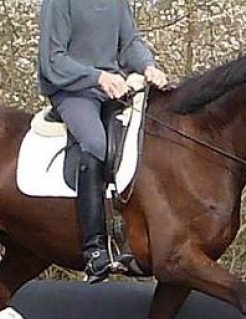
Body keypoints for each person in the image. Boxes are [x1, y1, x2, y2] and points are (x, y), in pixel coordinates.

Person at [37, 0, 168, 284]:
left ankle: (127, 234)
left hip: (112, 89)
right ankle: (94, 247)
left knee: (143, 137)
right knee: (95, 143)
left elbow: (129, 42)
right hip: (72, 90)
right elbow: (53, 58)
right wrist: (97, 76)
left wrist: (147, 66)